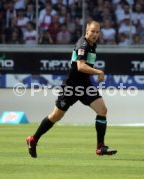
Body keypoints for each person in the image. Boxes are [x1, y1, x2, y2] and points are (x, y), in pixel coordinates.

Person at [26, 20, 117, 158]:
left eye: (97, 32)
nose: (95, 34)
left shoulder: (93, 45)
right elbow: (80, 67)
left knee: (102, 110)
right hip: (71, 86)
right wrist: (99, 72)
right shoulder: (83, 45)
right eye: (92, 31)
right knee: (56, 116)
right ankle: (33, 139)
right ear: (87, 30)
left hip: (85, 85)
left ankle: (100, 147)